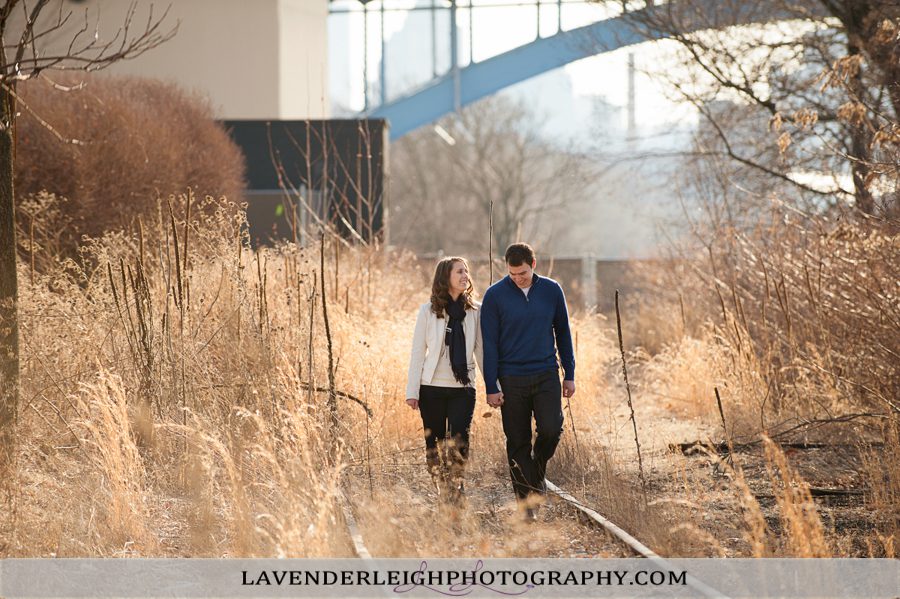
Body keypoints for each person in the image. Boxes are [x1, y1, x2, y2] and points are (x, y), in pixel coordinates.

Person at [480, 242, 575, 519]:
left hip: (546, 372)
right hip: (511, 378)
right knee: (518, 440)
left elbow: (564, 333)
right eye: (512, 274)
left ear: (533, 265)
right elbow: (490, 344)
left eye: (522, 273)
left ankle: (536, 472)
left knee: (551, 428)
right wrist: (491, 385)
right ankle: (527, 506)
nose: (517, 278)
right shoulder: (495, 296)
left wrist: (569, 373)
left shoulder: (552, 290)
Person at [406, 256, 484, 503]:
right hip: (431, 388)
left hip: (463, 387)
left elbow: (480, 350)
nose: (465, 276)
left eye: (466, 271)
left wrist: (494, 386)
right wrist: (412, 391)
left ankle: (456, 491)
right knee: (434, 444)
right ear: (445, 277)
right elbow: (418, 351)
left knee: (459, 440)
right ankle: (441, 488)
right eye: (459, 271)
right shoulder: (428, 311)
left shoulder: (475, 310)